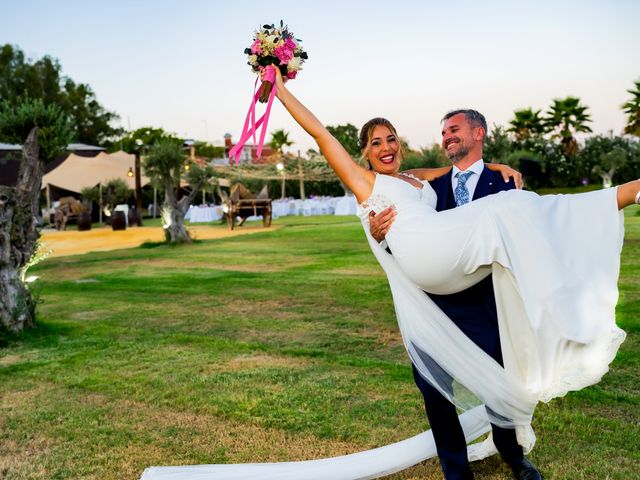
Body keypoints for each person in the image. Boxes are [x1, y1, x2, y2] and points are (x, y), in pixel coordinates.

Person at [140, 68, 639, 480]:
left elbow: (457, 172)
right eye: (375, 142)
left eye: (391, 139)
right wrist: (278, 87)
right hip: (426, 262)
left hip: (450, 265)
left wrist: (501, 164)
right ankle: (622, 195)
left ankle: (513, 447)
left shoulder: (417, 178)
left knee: (512, 209)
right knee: (512, 214)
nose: (385, 146)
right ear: (363, 153)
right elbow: (319, 133)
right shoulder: (364, 181)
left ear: (401, 145)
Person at [369, 109, 541, 480]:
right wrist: (379, 236)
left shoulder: (505, 184)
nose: (446, 136)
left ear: (478, 133)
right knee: (435, 392)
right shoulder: (429, 186)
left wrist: (496, 166)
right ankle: (456, 472)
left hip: (486, 304)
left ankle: (513, 455)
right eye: (444, 131)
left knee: (500, 383)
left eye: (454, 130)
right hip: (432, 306)